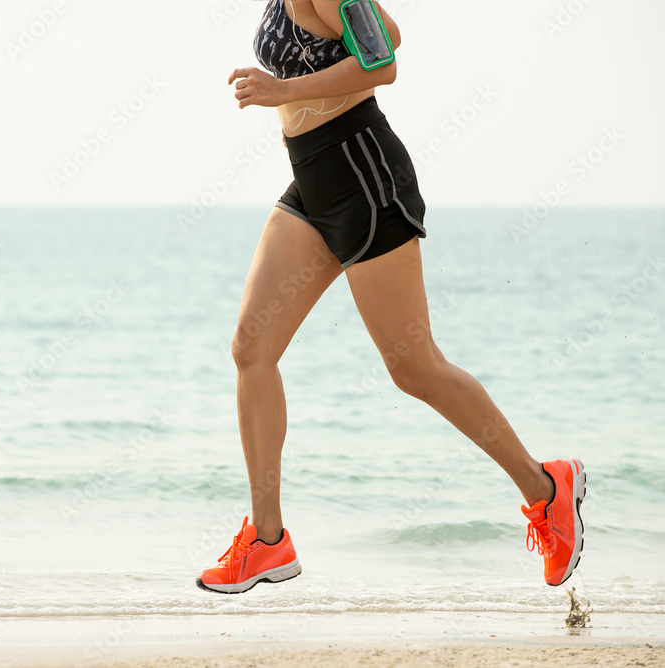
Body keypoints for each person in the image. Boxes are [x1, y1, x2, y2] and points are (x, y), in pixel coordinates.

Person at [195, 0, 585, 595]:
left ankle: (547, 489)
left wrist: (282, 90)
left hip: (364, 177)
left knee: (414, 367)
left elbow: (382, 63)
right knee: (252, 347)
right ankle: (267, 542)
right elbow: (387, 29)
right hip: (315, 182)